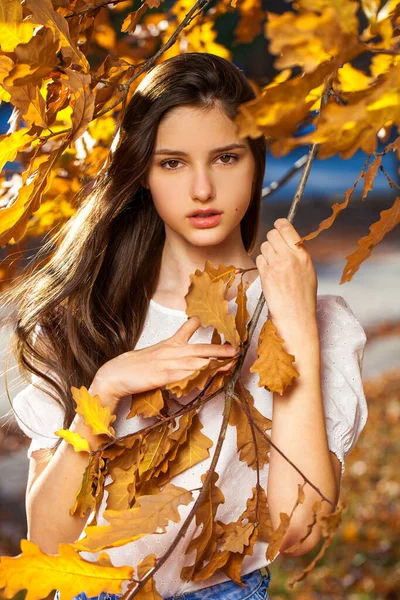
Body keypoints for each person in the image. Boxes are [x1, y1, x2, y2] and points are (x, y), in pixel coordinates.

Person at [4, 52, 368, 600]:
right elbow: (51, 540)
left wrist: (293, 329)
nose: (202, 189)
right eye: (172, 163)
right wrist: (102, 393)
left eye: (225, 158)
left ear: (255, 162)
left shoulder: (312, 322)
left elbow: (297, 523)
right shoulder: (83, 316)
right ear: (143, 174)